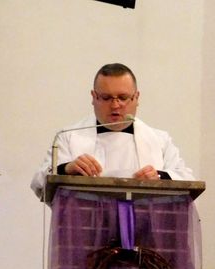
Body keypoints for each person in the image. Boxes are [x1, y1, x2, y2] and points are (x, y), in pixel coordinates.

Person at [31, 62, 193, 198]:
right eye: (106, 98)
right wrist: (66, 169)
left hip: (145, 224)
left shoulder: (159, 140)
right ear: (94, 97)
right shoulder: (68, 137)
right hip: (84, 222)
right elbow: (39, 182)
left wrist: (159, 176)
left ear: (136, 98)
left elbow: (186, 179)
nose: (115, 105)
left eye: (123, 98)